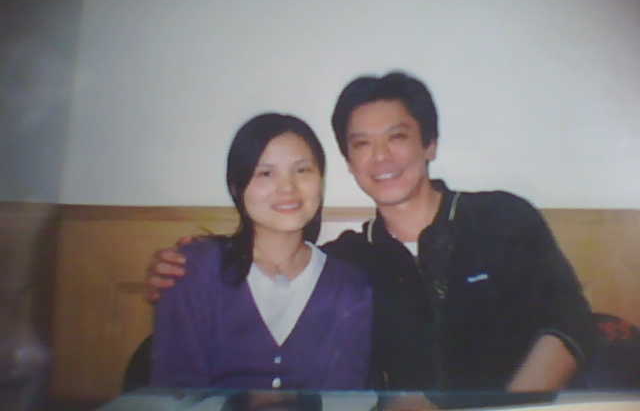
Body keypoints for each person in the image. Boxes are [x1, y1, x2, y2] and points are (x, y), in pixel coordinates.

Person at [147, 72, 595, 392]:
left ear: (429, 143)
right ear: (348, 162)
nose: (380, 157)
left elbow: (568, 323)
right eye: (362, 144)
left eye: (396, 137)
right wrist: (194, 258)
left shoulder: (502, 218)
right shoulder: (352, 261)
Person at [150, 113, 372, 390]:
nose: (287, 187)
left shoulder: (349, 285)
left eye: (302, 170)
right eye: (266, 173)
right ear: (236, 186)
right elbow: (175, 393)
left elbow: (343, 398)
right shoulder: (192, 269)